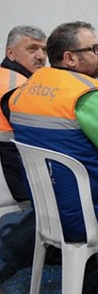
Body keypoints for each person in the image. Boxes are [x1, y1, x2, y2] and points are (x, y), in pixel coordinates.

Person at [9, 21, 98, 242]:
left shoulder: (26, 88)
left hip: (49, 210)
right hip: (97, 212)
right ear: (70, 58)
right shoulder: (85, 94)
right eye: (94, 49)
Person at [0, 25, 47, 201]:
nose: (41, 57)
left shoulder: (5, 76)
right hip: (16, 176)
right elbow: (40, 138)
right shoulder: (18, 88)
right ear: (10, 53)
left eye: (44, 50)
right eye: (32, 49)